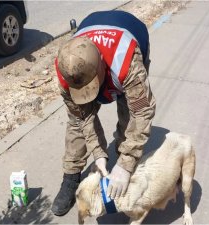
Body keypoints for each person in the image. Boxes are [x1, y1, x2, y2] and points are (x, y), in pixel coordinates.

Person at [52, 10, 156, 216]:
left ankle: (122, 167)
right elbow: (83, 118)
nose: (89, 94)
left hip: (128, 42)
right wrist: (98, 153)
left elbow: (142, 112)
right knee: (76, 123)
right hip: (93, 40)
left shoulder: (126, 61)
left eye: (92, 85)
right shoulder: (66, 69)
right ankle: (71, 176)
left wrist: (125, 164)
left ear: (101, 60)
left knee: (129, 114)